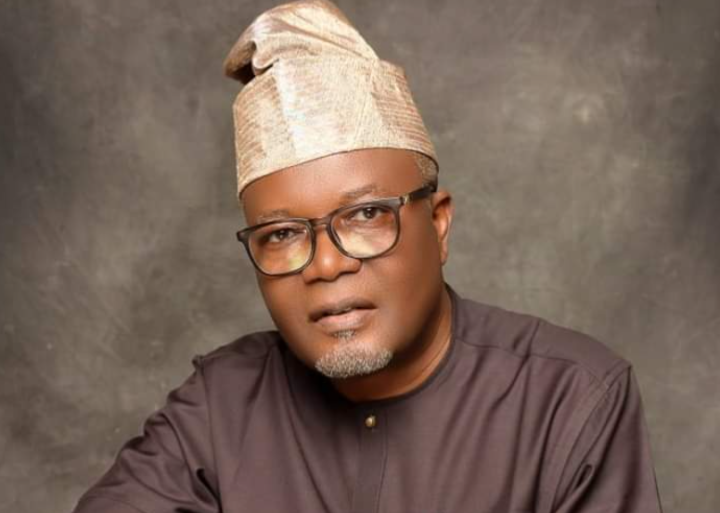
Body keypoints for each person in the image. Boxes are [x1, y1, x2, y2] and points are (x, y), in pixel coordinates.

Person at [72, 1, 664, 512]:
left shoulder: (570, 399)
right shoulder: (220, 405)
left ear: (438, 224)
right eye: (282, 233)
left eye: (364, 216)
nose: (326, 266)